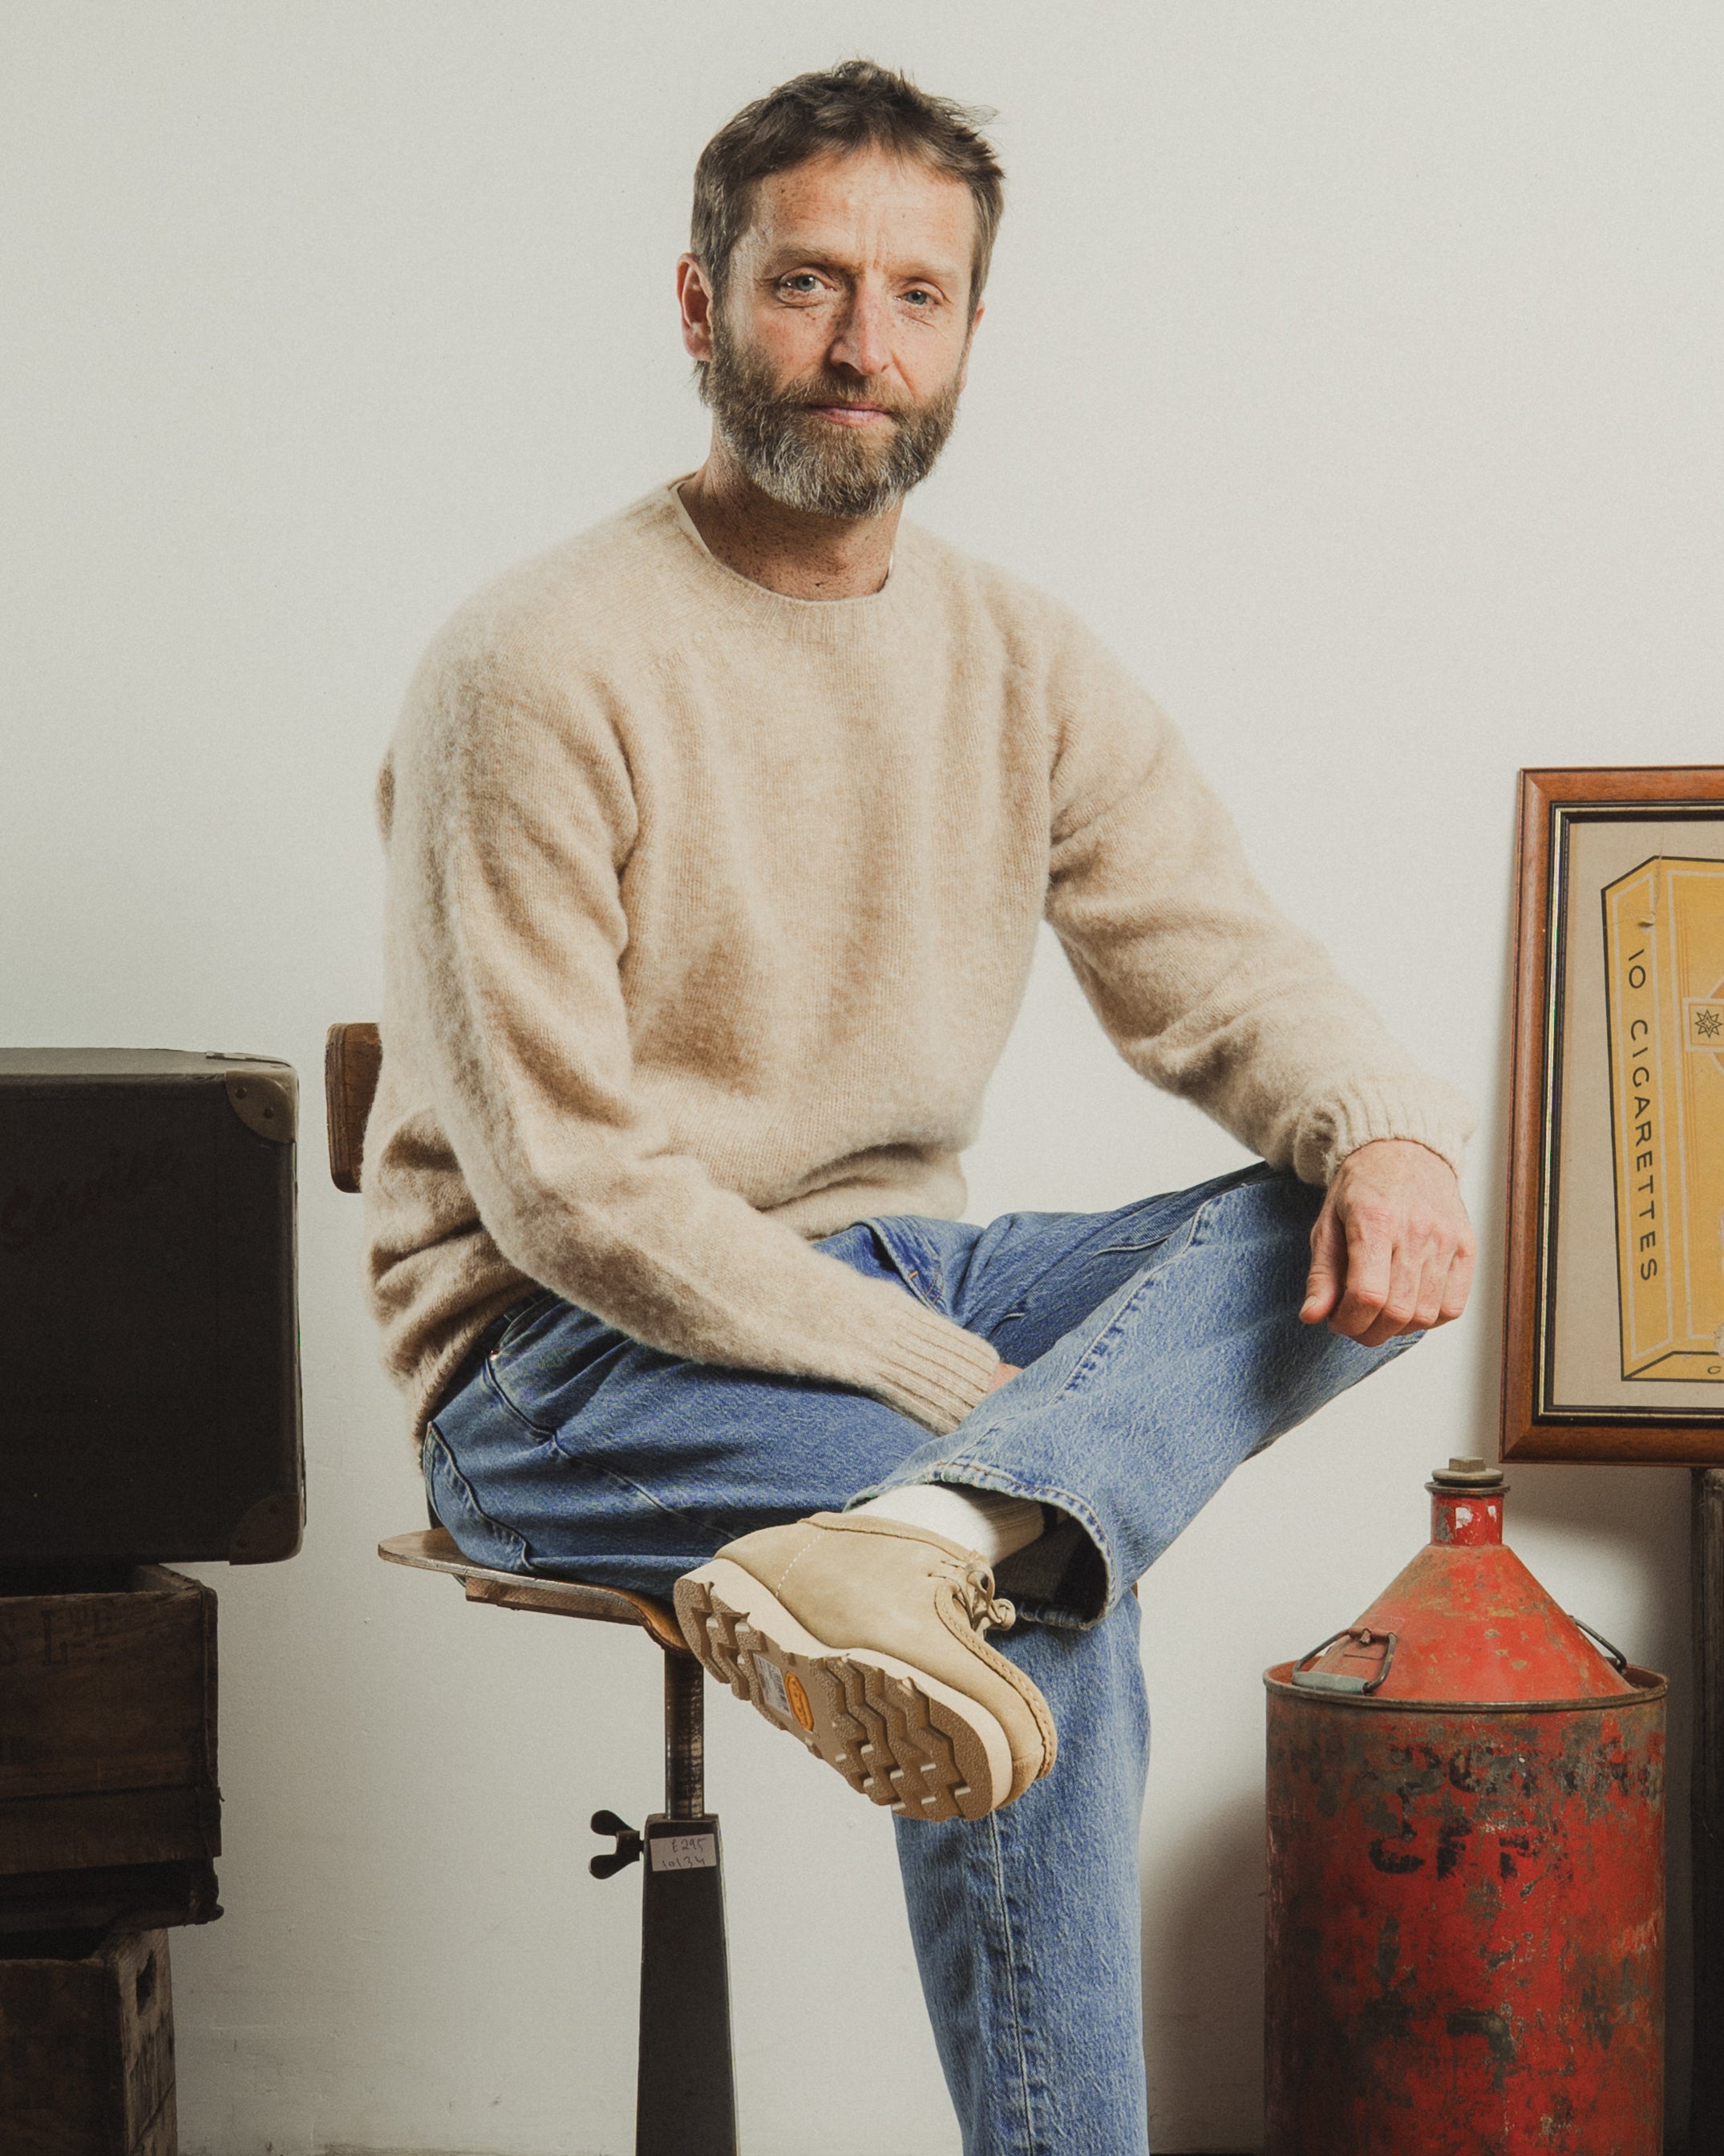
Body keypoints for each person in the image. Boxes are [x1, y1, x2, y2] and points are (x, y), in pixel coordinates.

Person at [364, 60, 1475, 2154]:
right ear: (699, 307)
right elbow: (567, 1184)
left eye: (917, 295)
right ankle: (977, 1527)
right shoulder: (536, 663)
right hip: (566, 1362)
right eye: (805, 284)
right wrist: (957, 1397)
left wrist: (1389, 1127)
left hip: (893, 1283)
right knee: (1054, 1573)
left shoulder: (1019, 659)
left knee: (1311, 1209)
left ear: (972, 331)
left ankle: (943, 1525)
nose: (863, 346)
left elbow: (1225, 963)